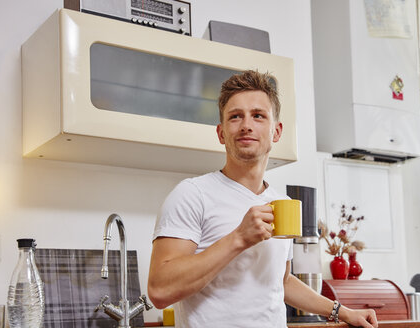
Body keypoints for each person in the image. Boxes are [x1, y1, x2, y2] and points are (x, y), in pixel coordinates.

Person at [148, 70, 378, 328]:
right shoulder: (191, 194)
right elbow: (159, 290)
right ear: (221, 133)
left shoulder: (282, 203)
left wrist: (342, 311)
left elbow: (281, 280)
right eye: (235, 117)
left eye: (258, 116)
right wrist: (238, 238)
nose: (246, 124)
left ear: (276, 132)